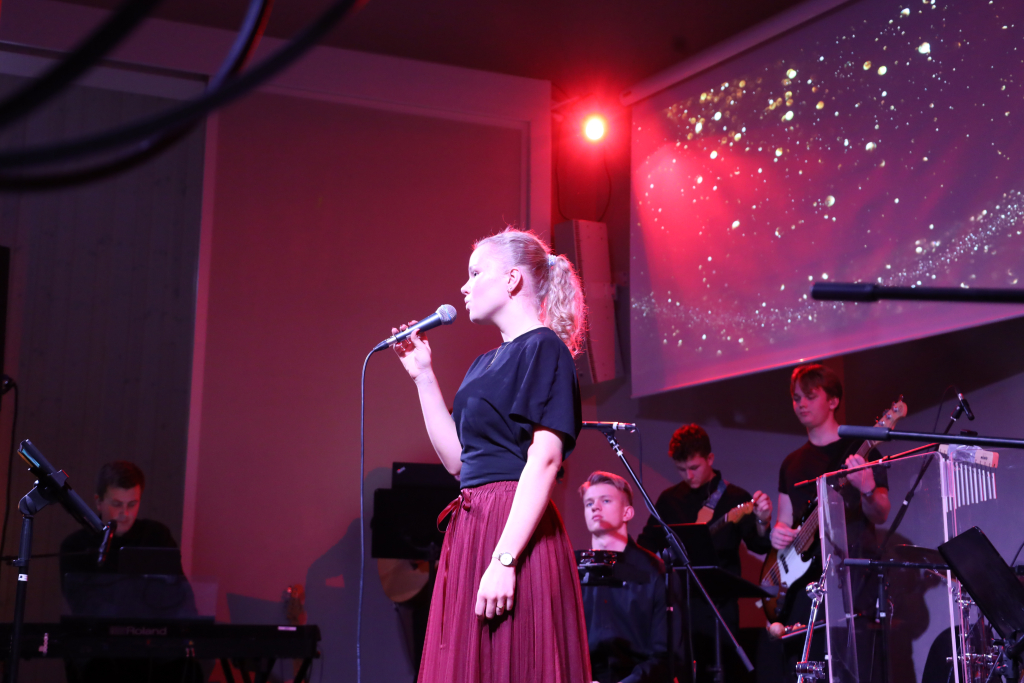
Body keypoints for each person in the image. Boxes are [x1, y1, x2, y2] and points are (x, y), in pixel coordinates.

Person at [392, 227, 591, 683]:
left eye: (476, 273)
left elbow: (544, 461)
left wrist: (504, 560)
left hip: (511, 527)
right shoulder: (483, 364)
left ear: (512, 279)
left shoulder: (545, 348)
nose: (464, 287)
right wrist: (424, 377)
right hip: (472, 523)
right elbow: (458, 462)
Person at [760, 364, 891, 683]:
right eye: (796, 398)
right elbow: (785, 522)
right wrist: (777, 534)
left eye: (809, 396)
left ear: (833, 400)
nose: (801, 403)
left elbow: (881, 513)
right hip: (803, 593)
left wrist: (867, 489)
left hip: (851, 586)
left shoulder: (860, 449)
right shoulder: (791, 463)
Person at [637, 424, 772, 683]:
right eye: (681, 469)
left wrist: (762, 520)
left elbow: (759, 545)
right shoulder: (669, 499)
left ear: (710, 459)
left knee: (724, 673)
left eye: (694, 467)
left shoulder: (734, 496)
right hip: (678, 604)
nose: (688, 476)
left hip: (720, 608)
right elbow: (646, 544)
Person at [578, 471, 669, 683]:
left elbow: (664, 652)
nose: (595, 507)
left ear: (627, 512)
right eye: (589, 503)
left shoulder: (654, 570)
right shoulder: (572, 570)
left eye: (605, 500)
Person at [59, 461, 178, 579]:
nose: (124, 513)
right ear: (99, 502)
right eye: (117, 504)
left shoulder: (157, 538)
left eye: (132, 504)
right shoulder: (76, 546)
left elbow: (178, 588)